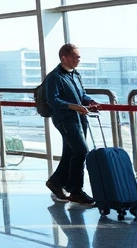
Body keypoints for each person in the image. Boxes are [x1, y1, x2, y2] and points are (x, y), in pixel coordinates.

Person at [44, 43, 99, 206]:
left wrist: (89, 101)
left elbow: (82, 94)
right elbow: (53, 100)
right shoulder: (54, 77)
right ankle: (76, 191)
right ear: (64, 58)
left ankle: (55, 182)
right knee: (81, 150)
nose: (78, 60)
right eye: (76, 56)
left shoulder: (75, 75)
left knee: (71, 152)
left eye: (79, 56)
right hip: (65, 119)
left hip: (78, 118)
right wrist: (73, 106)